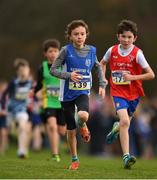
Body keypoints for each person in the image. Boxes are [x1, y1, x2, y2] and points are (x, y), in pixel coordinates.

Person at [50, 19, 106, 170]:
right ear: (70, 36)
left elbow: (98, 67)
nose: (79, 37)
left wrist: (102, 84)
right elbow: (53, 70)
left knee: (82, 116)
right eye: (76, 34)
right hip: (66, 95)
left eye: (82, 34)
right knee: (70, 129)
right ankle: (75, 158)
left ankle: (83, 125)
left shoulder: (91, 51)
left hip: (82, 91)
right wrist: (69, 75)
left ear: (86, 35)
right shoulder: (65, 51)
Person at [100, 19, 155, 169]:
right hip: (118, 92)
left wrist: (132, 78)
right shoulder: (112, 50)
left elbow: (151, 75)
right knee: (126, 122)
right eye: (123, 36)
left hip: (134, 93)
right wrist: (103, 79)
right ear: (118, 36)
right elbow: (102, 63)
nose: (126, 40)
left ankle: (116, 127)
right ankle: (126, 156)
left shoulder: (137, 54)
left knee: (125, 123)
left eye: (129, 37)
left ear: (135, 38)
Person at [34, 39, 66, 162]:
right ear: (45, 53)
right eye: (50, 51)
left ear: (59, 52)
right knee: (52, 127)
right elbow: (38, 85)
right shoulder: (41, 68)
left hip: (62, 101)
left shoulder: (63, 65)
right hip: (49, 102)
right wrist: (35, 93)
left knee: (61, 131)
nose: (53, 54)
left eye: (55, 51)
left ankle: (62, 146)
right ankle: (55, 155)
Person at [2, 58, 32, 158]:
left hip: (22, 109)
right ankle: (4, 147)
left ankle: (21, 150)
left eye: (25, 69)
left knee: (23, 127)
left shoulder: (31, 83)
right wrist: (3, 108)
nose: (24, 72)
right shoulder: (13, 82)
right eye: (21, 70)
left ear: (28, 70)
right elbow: (4, 95)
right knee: (8, 131)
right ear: (18, 72)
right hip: (10, 109)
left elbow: (36, 94)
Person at [0, 80, 8, 155]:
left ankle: (2, 148)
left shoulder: (7, 96)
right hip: (2, 115)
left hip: (4, 117)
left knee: (4, 132)